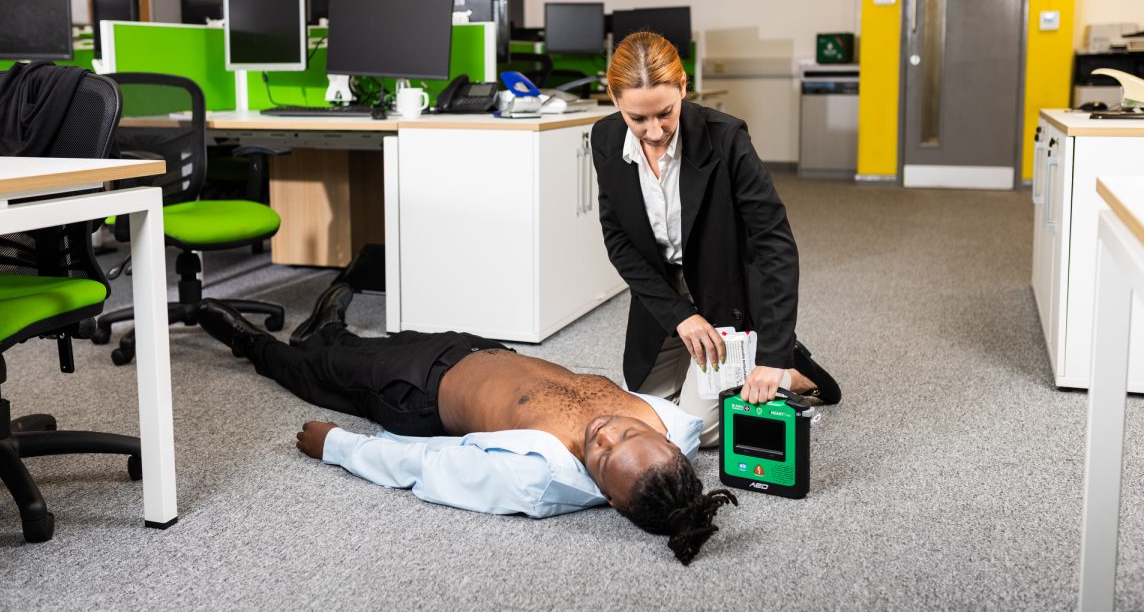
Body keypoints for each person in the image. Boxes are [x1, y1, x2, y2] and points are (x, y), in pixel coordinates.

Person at [196, 285, 738, 565]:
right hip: (478, 350)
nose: (605, 431)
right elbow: (712, 405)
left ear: (611, 501)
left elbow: (427, 467)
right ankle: (327, 329)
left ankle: (250, 343)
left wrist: (337, 445)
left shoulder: (537, 478)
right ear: (665, 443)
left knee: (317, 373)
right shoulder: (673, 429)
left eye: (602, 455)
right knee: (368, 347)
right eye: (627, 433)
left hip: (418, 390)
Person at [591, 32, 841, 449]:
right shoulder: (605, 139)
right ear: (615, 100)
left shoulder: (726, 139)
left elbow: (775, 245)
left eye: (665, 113)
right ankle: (706, 363)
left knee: (699, 429)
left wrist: (772, 357)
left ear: (683, 87)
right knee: (647, 409)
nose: (654, 131)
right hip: (664, 295)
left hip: (723, 290)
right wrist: (679, 315)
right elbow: (619, 241)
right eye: (638, 119)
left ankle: (792, 371)